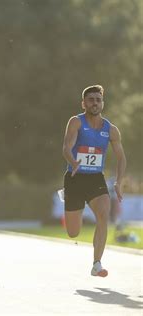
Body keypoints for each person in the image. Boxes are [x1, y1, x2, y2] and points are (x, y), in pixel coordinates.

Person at [62, 84, 126, 277]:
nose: (95, 103)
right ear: (84, 103)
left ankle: (97, 263)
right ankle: (68, 197)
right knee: (73, 233)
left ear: (102, 103)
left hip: (95, 179)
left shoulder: (111, 130)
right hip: (74, 177)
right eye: (91, 99)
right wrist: (73, 162)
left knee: (103, 214)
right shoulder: (76, 122)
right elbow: (66, 147)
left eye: (98, 99)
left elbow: (121, 158)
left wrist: (118, 182)